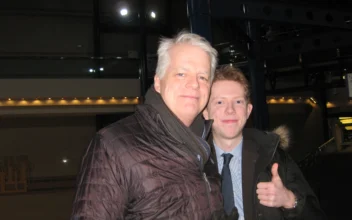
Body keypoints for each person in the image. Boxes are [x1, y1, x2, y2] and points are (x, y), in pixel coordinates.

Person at [70, 31, 229, 220]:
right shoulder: (113, 146)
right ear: (158, 82)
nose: (194, 84)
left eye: (203, 77)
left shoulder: (204, 146)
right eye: (181, 74)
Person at [203, 65, 327, 220]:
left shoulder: (274, 158)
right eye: (220, 102)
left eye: (238, 102)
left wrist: (289, 200)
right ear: (205, 112)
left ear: (248, 110)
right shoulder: (192, 164)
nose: (230, 110)